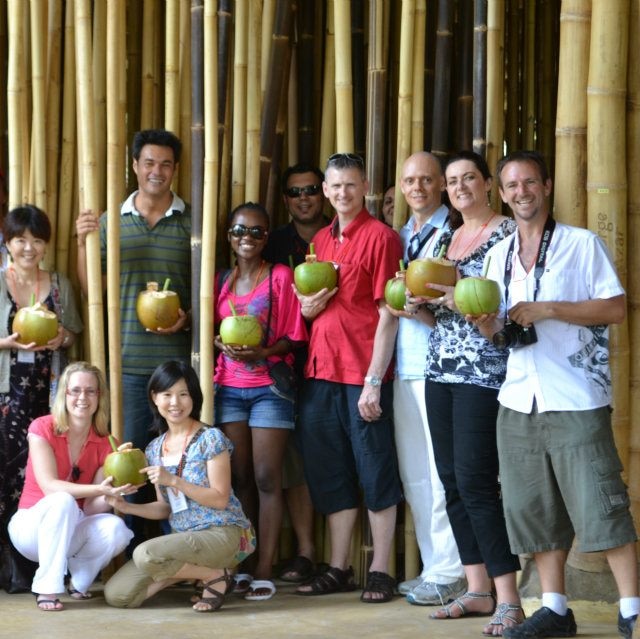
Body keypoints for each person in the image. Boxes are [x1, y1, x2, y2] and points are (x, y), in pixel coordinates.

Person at [478, 150, 639, 639]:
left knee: (601, 502)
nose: (521, 192)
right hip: (517, 398)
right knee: (533, 506)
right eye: (511, 185)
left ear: (546, 186)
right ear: (502, 195)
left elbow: (615, 309)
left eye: (529, 182)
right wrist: (487, 325)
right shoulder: (496, 255)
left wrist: (549, 308)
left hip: (575, 397)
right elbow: (499, 332)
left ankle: (632, 607)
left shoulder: (579, 244)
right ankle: (554, 608)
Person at [416, 151, 523, 636]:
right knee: (450, 480)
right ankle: (477, 588)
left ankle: (509, 598)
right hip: (440, 368)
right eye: (452, 181)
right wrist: (415, 305)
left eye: (468, 179)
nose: (460, 187)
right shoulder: (445, 237)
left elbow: (495, 300)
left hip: (484, 370)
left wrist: (453, 289)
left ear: (487, 185)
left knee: (479, 481)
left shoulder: (506, 233)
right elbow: (439, 313)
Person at [293, 152, 403, 603]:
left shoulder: (382, 238)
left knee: (374, 466)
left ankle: (380, 568)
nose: (342, 193)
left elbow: (389, 314)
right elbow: (310, 307)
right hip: (320, 372)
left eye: (350, 185)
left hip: (361, 373)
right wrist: (306, 308)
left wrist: (374, 379)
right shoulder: (320, 239)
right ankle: (338, 566)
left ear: (365, 186)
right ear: (326, 191)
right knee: (329, 469)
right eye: (334, 186)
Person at [104, 360, 255, 611]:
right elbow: (165, 509)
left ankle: (212, 577)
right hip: (184, 540)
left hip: (223, 533)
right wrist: (125, 507)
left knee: (145, 554)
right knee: (119, 595)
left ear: (194, 398)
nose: (175, 403)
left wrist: (173, 480)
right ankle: (206, 573)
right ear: (155, 398)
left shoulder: (210, 438)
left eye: (183, 394)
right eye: (167, 394)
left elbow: (220, 498)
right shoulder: (154, 449)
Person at [75, 129, 191, 452]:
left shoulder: (192, 223)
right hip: (125, 361)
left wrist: (189, 318)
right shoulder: (111, 222)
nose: (157, 172)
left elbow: (210, 291)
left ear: (175, 169)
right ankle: (129, 507)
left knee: (176, 455)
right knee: (130, 454)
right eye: (149, 163)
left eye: (166, 164)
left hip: (177, 364)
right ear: (135, 165)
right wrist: (82, 243)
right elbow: (90, 290)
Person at [214, 202, 308, 601]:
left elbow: (294, 335)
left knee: (268, 477)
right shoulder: (220, 279)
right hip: (228, 388)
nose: (246, 238)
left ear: (267, 237)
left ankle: (265, 567)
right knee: (239, 480)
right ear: (229, 236)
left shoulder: (281, 277)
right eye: (239, 231)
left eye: (255, 232)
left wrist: (263, 352)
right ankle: (243, 562)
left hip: (269, 386)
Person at [384, 152, 465, 605]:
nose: (417, 187)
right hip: (404, 363)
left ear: (441, 186)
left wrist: (423, 307)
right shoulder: (400, 236)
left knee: (440, 472)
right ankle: (434, 567)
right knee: (414, 473)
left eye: (426, 180)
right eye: (410, 180)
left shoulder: (452, 235)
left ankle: (452, 571)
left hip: (441, 364)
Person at [7, 362, 134, 611]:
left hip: (71, 526)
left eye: (90, 391)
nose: (82, 397)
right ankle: (47, 587)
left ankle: (79, 581)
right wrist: (99, 490)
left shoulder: (108, 443)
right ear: (64, 394)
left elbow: (89, 509)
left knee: (116, 528)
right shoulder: (42, 427)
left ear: (99, 396)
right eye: (75, 390)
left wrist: (112, 494)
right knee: (62, 500)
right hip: (31, 529)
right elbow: (49, 486)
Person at [1, 206, 83, 578]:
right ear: (8, 243)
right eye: (21, 239)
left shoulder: (59, 283)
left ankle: (37, 567)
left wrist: (59, 338)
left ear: (46, 245)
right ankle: (7, 569)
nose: (29, 247)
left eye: (37, 240)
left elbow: (75, 331)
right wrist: (7, 343)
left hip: (47, 399)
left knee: (36, 479)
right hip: (6, 397)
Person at [262, 163, 329, 583]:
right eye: (294, 192)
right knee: (289, 462)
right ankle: (305, 550)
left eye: (310, 190)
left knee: (329, 453)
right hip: (286, 366)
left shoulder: (338, 237)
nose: (303, 198)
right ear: (285, 199)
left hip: (335, 360)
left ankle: (338, 554)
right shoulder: (274, 244)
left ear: (322, 194)